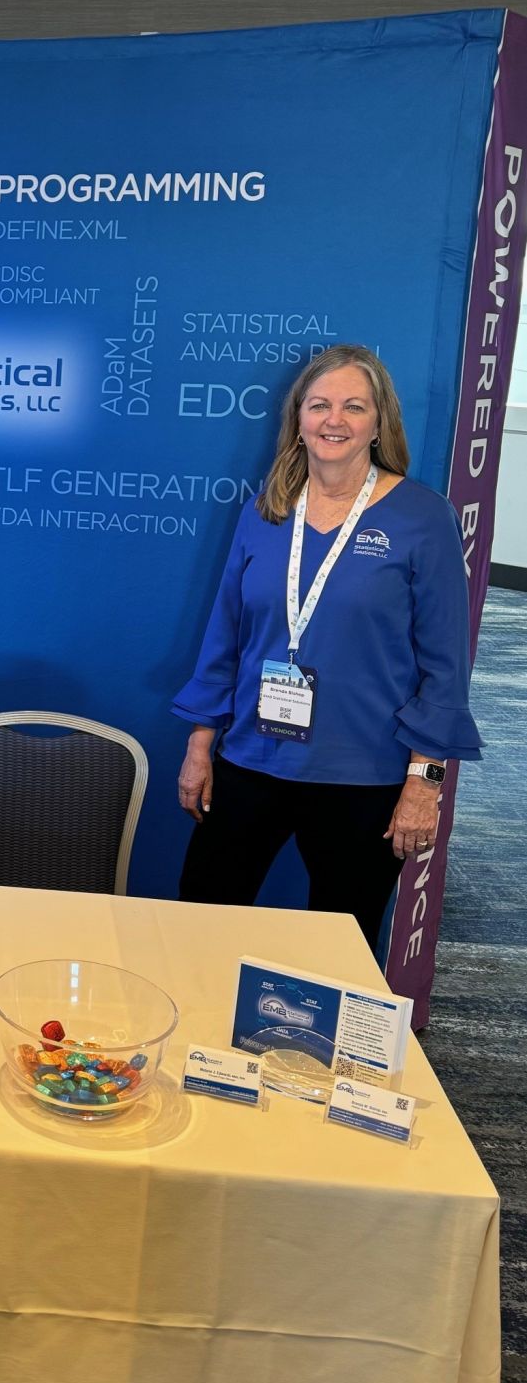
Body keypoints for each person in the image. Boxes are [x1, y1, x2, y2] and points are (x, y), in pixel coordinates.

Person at [172, 344, 481, 948]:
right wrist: (200, 743)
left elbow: (447, 665)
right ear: (299, 419)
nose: (333, 420)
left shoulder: (423, 517)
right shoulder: (266, 511)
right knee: (198, 924)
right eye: (319, 405)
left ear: (378, 421)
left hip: (364, 776)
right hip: (251, 761)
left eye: (353, 406)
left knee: (339, 953)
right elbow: (226, 634)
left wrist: (426, 781)